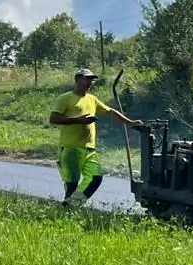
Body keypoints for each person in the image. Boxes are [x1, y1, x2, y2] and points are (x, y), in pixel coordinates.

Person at [49, 68, 146, 205]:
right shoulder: (65, 98)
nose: (89, 82)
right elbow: (53, 119)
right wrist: (78, 120)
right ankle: (68, 210)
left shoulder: (92, 99)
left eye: (91, 79)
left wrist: (130, 123)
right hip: (70, 147)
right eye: (86, 79)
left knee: (96, 178)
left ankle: (70, 204)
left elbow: (111, 112)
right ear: (77, 80)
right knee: (72, 183)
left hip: (89, 149)